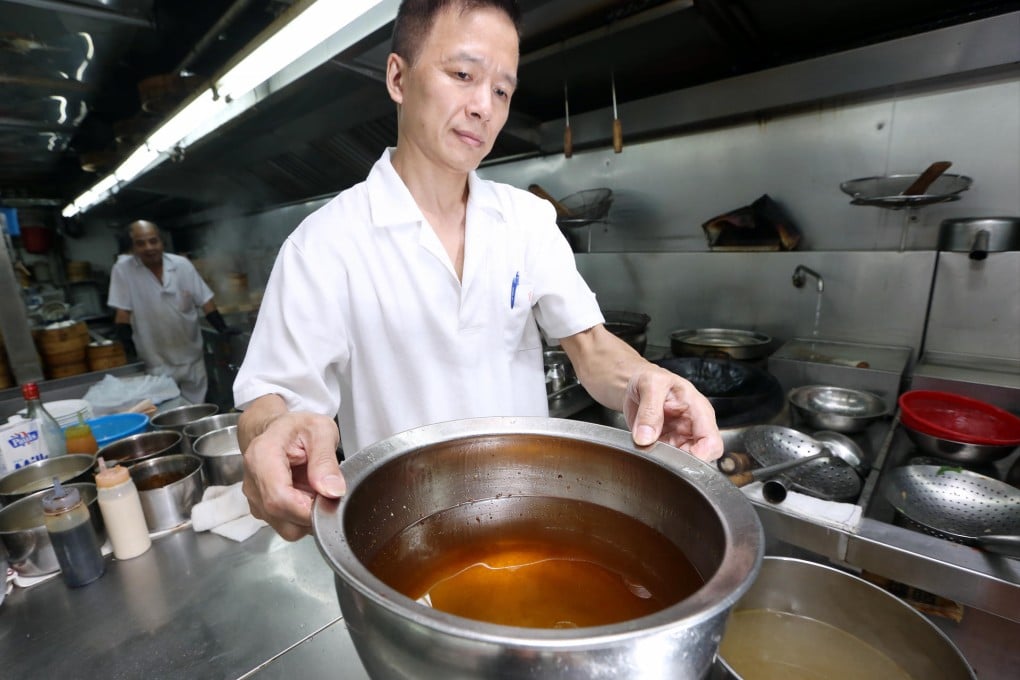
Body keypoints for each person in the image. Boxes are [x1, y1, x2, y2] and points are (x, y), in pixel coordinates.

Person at [233, 0, 722, 541]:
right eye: (463, 75)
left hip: (530, 519)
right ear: (398, 77)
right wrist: (271, 433)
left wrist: (646, 382)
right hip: (405, 539)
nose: (483, 107)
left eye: (501, 91)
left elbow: (592, 347)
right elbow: (270, 398)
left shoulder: (526, 219)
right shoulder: (324, 244)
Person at [108, 220, 236, 403]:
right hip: (155, 361)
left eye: (153, 241)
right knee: (166, 412)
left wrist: (222, 329)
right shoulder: (124, 270)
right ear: (133, 246)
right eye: (141, 243)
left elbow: (205, 300)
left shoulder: (181, 265)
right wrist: (127, 351)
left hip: (191, 356)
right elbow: (123, 313)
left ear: (162, 242)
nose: (149, 247)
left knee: (196, 408)